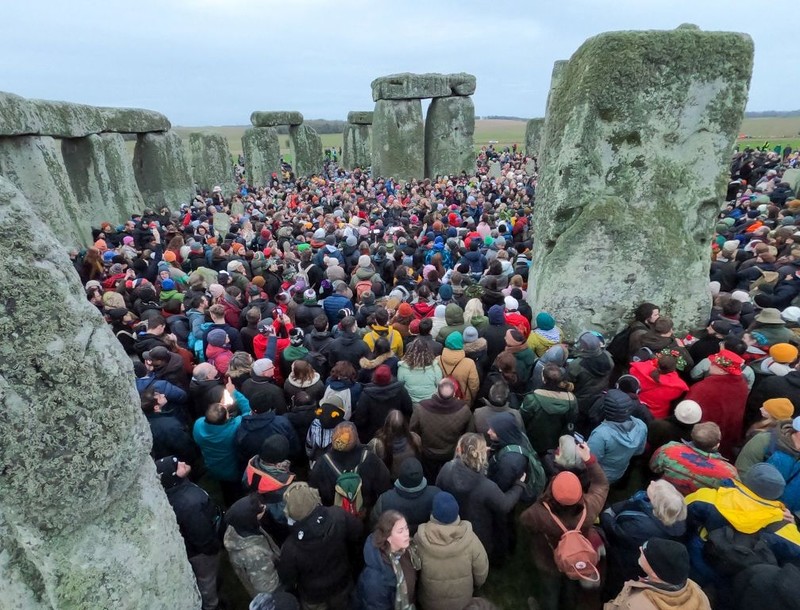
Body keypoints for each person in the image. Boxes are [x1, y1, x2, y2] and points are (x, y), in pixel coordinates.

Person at [519, 441, 609, 610]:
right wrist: (589, 460)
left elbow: (524, 521)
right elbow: (601, 484)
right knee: (570, 583)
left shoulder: (538, 514)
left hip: (548, 559)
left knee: (550, 590)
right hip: (575, 556)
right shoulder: (589, 508)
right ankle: (568, 605)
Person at [437, 433, 525, 566]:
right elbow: (505, 505)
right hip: (478, 530)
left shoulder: (447, 469)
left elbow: (439, 489)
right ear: (480, 455)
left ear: (460, 449)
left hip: (453, 522)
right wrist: (519, 485)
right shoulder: (486, 486)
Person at [277, 482, 363, 610]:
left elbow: (288, 578)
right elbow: (358, 532)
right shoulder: (338, 515)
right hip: (342, 582)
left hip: (314, 596)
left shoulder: (290, 548)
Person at [600, 480, 687, 600]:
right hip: (640, 558)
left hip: (625, 560)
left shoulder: (641, 527)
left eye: (656, 488)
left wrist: (608, 513)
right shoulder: (674, 516)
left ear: (657, 504)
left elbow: (613, 529)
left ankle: (608, 599)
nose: (651, 482)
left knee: (616, 583)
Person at [155, 456, 222, 610]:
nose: (183, 463)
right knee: (207, 579)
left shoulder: (175, 491)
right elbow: (201, 536)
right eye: (177, 466)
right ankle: (211, 605)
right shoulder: (189, 505)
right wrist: (213, 548)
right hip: (201, 553)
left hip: (191, 545)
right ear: (173, 477)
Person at [414, 492, 490, 610]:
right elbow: (481, 572)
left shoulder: (420, 540)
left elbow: (414, 571)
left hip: (430, 604)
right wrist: (477, 585)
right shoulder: (471, 539)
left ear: (433, 513)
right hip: (463, 603)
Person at [308, 421, 392, 516]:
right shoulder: (370, 459)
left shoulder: (322, 463)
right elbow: (385, 486)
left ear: (333, 439)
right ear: (357, 438)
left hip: (336, 518)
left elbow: (313, 494)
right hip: (365, 516)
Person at [603, 538, 711, 610]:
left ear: (655, 573)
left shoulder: (635, 605)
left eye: (645, 551)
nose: (640, 548)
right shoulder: (699, 593)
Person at [686, 348, 749, 459]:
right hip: (727, 434)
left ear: (723, 370)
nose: (710, 366)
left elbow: (688, 408)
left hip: (703, 434)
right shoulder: (741, 385)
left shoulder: (703, 388)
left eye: (713, 364)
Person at [411, 378, 475, 482]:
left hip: (427, 453)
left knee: (430, 479)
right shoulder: (464, 410)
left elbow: (413, 431)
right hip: (451, 453)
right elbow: (469, 434)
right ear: (454, 393)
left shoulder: (421, 408)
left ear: (437, 391)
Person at [355, 510, 420, 610]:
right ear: (388, 537)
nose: (406, 533)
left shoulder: (406, 550)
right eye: (400, 531)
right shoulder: (375, 579)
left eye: (406, 528)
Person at [193, 395, 252, 506]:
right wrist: (234, 392)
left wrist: (222, 408)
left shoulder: (198, 425)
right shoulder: (233, 428)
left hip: (213, 466)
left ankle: (227, 502)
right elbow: (248, 411)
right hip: (233, 469)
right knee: (236, 491)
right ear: (226, 418)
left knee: (225, 488)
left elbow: (215, 416)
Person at [650, 422, 738, 495]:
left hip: (663, 497)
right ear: (717, 444)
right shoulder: (729, 473)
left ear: (692, 436)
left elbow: (653, 468)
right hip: (695, 511)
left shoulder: (668, 449)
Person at [224, 494, 281, 596]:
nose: (265, 507)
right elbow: (266, 587)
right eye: (261, 508)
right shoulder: (254, 556)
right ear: (251, 517)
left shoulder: (240, 526)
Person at [587, 389, 647, 484]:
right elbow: (639, 451)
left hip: (597, 475)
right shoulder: (641, 426)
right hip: (619, 471)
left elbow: (590, 460)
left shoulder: (600, 434)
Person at [371, 457, 441, 536]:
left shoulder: (384, 500)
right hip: (426, 539)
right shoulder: (437, 495)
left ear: (399, 476)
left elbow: (375, 524)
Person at [520, 363, 578, 456]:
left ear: (543, 379)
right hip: (557, 445)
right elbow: (572, 420)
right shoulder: (572, 400)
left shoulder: (532, 399)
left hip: (534, 442)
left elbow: (522, 419)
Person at [352, 364, 413, 443]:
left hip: (372, 436)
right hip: (395, 432)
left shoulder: (366, 394)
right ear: (390, 376)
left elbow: (360, 419)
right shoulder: (400, 390)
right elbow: (408, 409)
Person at [629, 353, 688, 420]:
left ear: (657, 361)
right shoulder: (676, 387)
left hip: (633, 404)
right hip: (655, 415)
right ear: (673, 369)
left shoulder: (637, 370)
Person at [367, 409, 422, 480]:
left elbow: (369, 461)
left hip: (388, 480)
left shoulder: (376, 443)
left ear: (386, 423)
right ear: (405, 424)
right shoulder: (415, 438)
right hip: (410, 477)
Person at [437, 331, 480, 406]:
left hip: (443, 399)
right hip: (463, 400)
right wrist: (473, 399)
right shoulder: (469, 363)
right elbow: (474, 385)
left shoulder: (438, 360)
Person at [397, 338, 443, 406]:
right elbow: (439, 384)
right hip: (429, 404)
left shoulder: (403, 367)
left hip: (411, 403)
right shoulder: (435, 367)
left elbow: (400, 384)